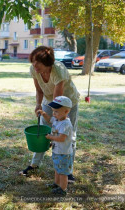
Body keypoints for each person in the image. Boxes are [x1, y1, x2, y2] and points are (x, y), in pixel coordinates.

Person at [20, 46, 80, 183]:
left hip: (67, 102)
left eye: (38, 62)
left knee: (68, 135)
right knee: (42, 130)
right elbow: (39, 90)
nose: (34, 65)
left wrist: (55, 127)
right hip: (49, 100)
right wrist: (38, 105)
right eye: (33, 61)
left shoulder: (58, 70)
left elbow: (58, 101)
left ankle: (68, 172)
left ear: (47, 62)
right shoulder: (34, 70)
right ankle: (34, 165)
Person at [37, 96, 74, 196]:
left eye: (56, 111)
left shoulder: (65, 124)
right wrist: (44, 114)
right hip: (57, 151)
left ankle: (63, 189)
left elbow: (62, 138)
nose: (53, 113)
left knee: (63, 172)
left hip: (63, 153)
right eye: (53, 111)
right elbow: (50, 120)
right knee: (57, 169)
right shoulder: (57, 119)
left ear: (66, 112)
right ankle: (56, 184)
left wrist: (50, 137)